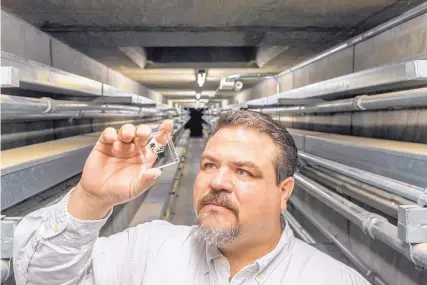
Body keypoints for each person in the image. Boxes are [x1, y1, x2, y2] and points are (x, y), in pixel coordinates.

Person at [13, 110, 370, 285]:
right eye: (210, 164)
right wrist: (91, 197)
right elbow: (39, 279)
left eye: (243, 171)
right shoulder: (149, 248)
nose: (218, 182)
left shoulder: (335, 280)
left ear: (284, 192)